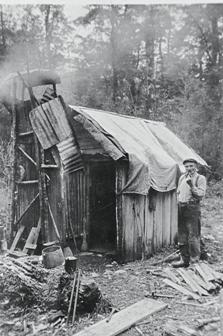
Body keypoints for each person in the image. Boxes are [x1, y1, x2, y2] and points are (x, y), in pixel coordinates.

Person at [172, 158, 207, 268]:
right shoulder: (182, 177)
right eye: (187, 166)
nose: (189, 168)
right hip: (181, 207)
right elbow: (178, 192)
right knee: (181, 235)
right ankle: (184, 260)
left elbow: (200, 195)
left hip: (192, 208)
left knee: (193, 235)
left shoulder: (200, 178)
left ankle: (194, 261)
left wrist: (192, 186)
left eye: (191, 166)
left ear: (196, 167)